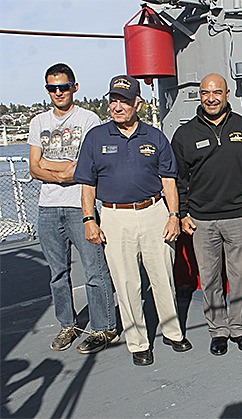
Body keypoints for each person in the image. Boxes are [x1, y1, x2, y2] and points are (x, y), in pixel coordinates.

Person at [74, 75, 192, 366]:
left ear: (137, 103)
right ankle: (138, 342)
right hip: (115, 216)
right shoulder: (96, 138)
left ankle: (173, 332)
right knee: (126, 283)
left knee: (163, 277)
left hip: (155, 213)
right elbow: (87, 184)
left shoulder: (155, 137)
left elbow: (169, 181)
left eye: (124, 101)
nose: (117, 106)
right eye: (113, 100)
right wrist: (89, 220)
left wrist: (174, 216)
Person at [27, 63, 118, 354]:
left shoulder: (88, 119)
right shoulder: (38, 122)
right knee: (57, 273)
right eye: (52, 88)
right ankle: (68, 324)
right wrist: (61, 173)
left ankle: (105, 328)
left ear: (74, 88)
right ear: (47, 90)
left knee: (94, 269)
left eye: (63, 87)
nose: (58, 93)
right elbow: (33, 167)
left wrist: (49, 167)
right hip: (48, 208)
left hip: (81, 206)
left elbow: (85, 166)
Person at [171, 73, 242, 356]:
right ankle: (218, 330)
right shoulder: (185, 135)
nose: (211, 98)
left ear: (227, 94)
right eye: (205, 93)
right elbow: (177, 180)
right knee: (210, 278)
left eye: (216, 92)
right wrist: (182, 213)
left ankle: (240, 330)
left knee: (240, 276)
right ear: (200, 95)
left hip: (237, 216)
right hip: (201, 220)